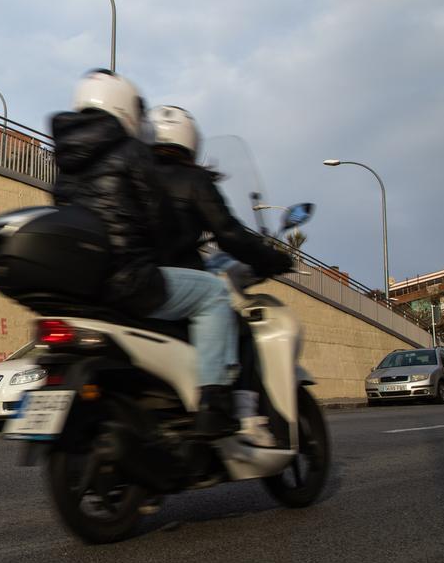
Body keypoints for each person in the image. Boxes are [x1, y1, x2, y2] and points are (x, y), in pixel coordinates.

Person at [50, 70, 244, 437]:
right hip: (130, 278)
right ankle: (215, 403)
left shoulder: (67, 164)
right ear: (125, 108)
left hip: (88, 284)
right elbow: (157, 219)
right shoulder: (131, 153)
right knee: (214, 294)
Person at [147, 105, 294, 444]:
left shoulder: (134, 176)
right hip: (170, 285)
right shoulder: (193, 179)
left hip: (131, 282)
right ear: (190, 140)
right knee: (235, 322)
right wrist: (272, 258)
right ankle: (237, 410)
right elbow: (229, 233)